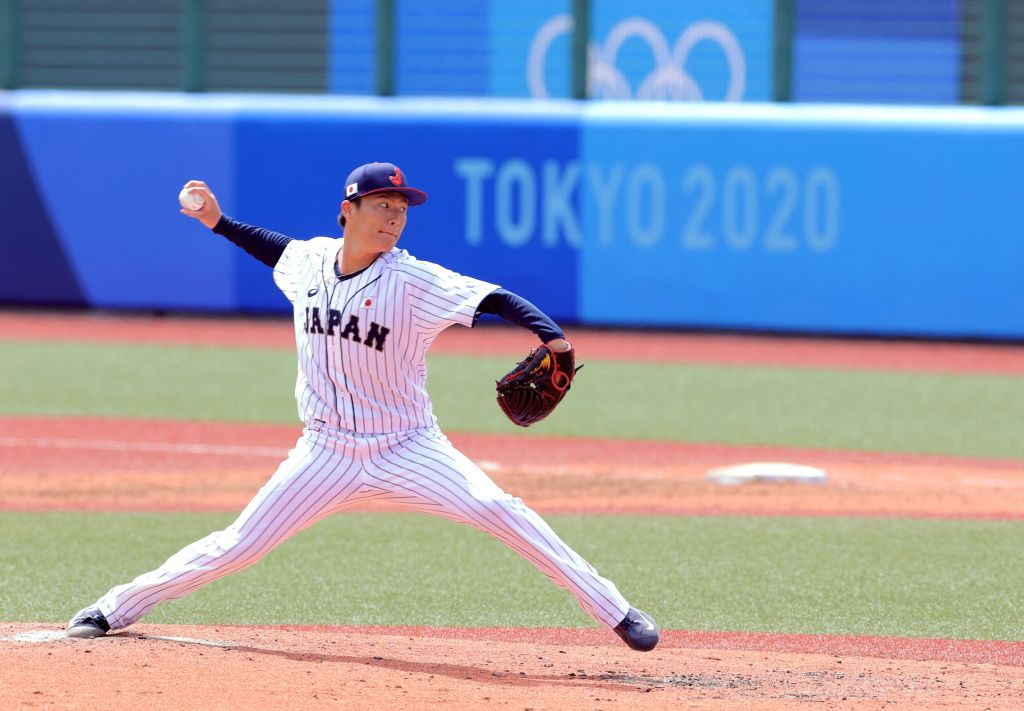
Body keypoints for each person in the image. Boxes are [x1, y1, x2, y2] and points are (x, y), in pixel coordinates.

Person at [67, 162, 659, 652]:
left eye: (402, 208)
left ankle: (619, 612)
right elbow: (273, 250)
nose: (395, 215)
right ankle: (115, 608)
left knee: (501, 510)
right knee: (237, 545)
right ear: (348, 210)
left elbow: (495, 297)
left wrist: (553, 338)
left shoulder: (414, 280)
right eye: (383, 204)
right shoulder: (309, 262)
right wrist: (217, 221)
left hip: (409, 447)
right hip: (324, 451)